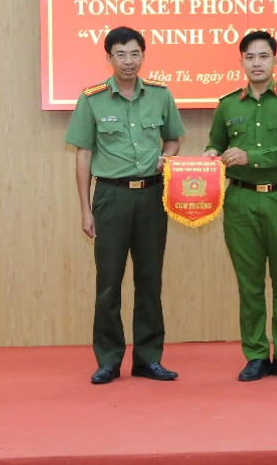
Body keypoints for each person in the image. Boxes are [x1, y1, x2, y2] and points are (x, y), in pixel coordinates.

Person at [64, 26, 185, 385]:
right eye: (121, 54)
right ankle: (108, 360)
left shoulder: (160, 95)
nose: (128, 61)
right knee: (108, 282)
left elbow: (173, 140)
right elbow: (83, 156)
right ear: (109, 58)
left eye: (134, 54)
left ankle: (149, 358)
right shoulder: (92, 99)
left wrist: (167, 157)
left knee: (149, 281)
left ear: (143, 56)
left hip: (151, 196)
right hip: (111, 197)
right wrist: (86, 209)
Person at [204, 30, 277, 382]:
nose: (256, 63)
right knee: (249, 284)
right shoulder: (228, 105)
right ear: (241, 63)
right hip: (240, 201)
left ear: (275, 61)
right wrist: (210, 155)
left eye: (263, 56)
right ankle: (255, 355)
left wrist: (250, 156)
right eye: (249, 57)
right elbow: (215, 143)